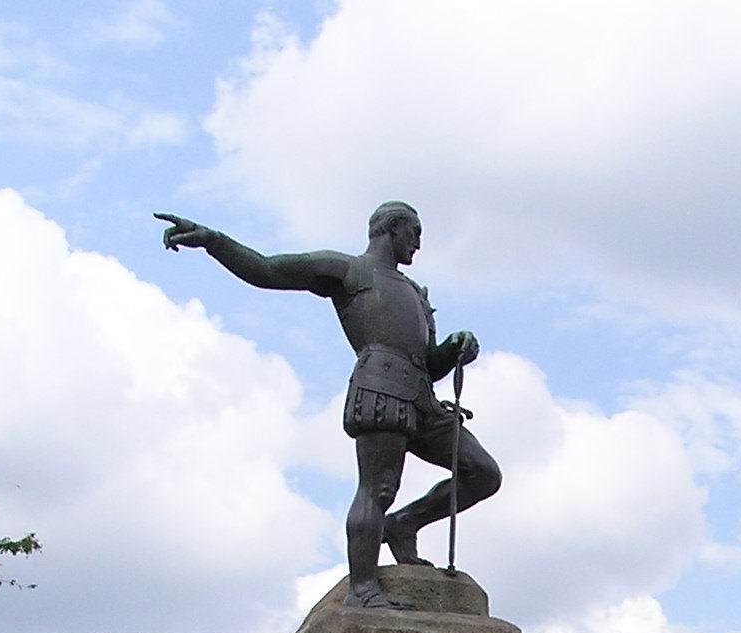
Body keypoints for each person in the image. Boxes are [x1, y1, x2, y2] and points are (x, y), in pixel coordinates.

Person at [156, 201, 500, 609]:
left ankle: (403, 525)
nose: (419, 245)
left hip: (422, 398)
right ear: (392, 228)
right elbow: (267, 270)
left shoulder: (414, 294)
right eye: (415, 233)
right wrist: (214, 241)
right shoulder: (350, 271)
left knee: (482, 474)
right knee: (379, 488)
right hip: (382, 387)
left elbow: (428, 362)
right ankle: (364, 589)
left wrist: (454, 348)